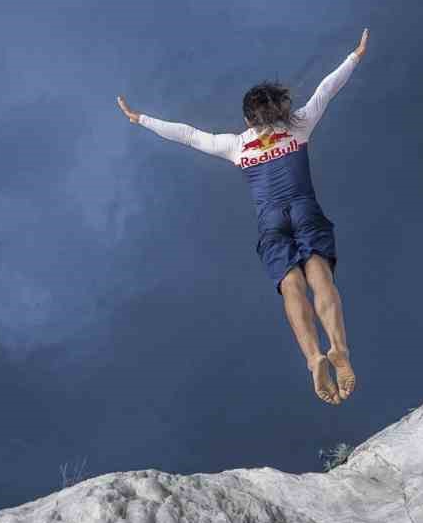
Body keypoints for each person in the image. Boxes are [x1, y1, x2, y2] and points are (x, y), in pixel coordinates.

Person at [116, 29, 368, 405]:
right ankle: (339, 348)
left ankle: (314, 357)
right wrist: (354, 57)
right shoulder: (298, 126)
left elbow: (187, 134)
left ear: (249, 118)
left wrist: (142, 119)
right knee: (320, 277)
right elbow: (326, 89)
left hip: (272, 224)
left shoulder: (236, 145)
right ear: (278, 110)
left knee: (291, 286)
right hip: (305, 210)